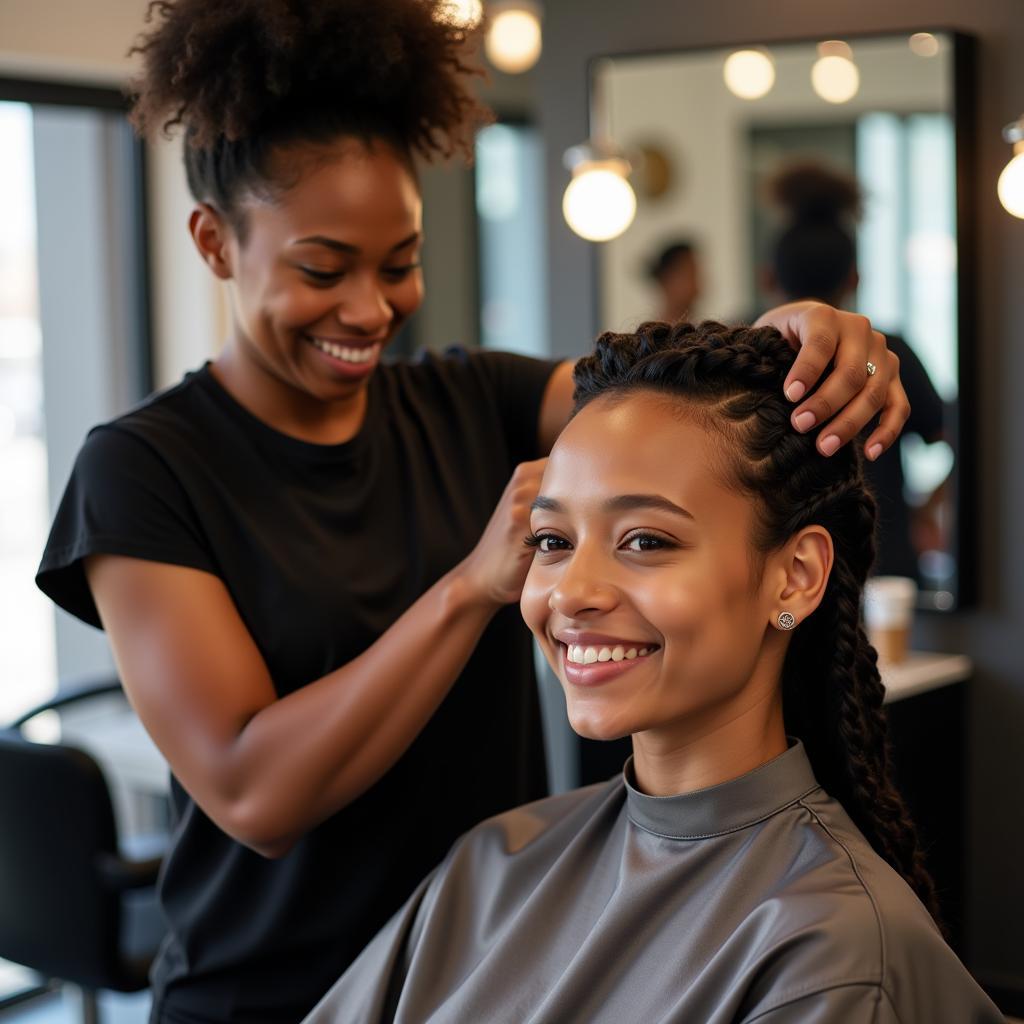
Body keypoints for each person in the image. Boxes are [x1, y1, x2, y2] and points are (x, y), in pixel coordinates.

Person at [34, 2, 909, 1020]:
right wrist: (473, 584)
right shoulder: (145, 471)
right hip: (267, 993)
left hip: (498, 967)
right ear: (214, 241)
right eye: (323, 268)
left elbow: (670, 414)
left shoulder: (471, 398)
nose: (369, 309)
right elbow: (251, 791)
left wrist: (790, 340)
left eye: (398, 263)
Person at [305, 321, 1000, 1023]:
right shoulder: (493, 866)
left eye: (645, 540)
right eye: (552, 541)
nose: (573, 591)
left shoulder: (828, 957)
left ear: (795, 577)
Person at [764, 161, 949, 581]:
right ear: (855, 277)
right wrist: (925, 508)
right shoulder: (890, 352)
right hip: (885, 571)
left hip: (787, 582)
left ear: (768, 277)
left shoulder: (747, 356)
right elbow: (956, 438)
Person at [648, 238, 702, 322]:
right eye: (690, 274)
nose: (697, 284)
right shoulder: (654, 333)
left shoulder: (701, 329)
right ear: (667, 279)